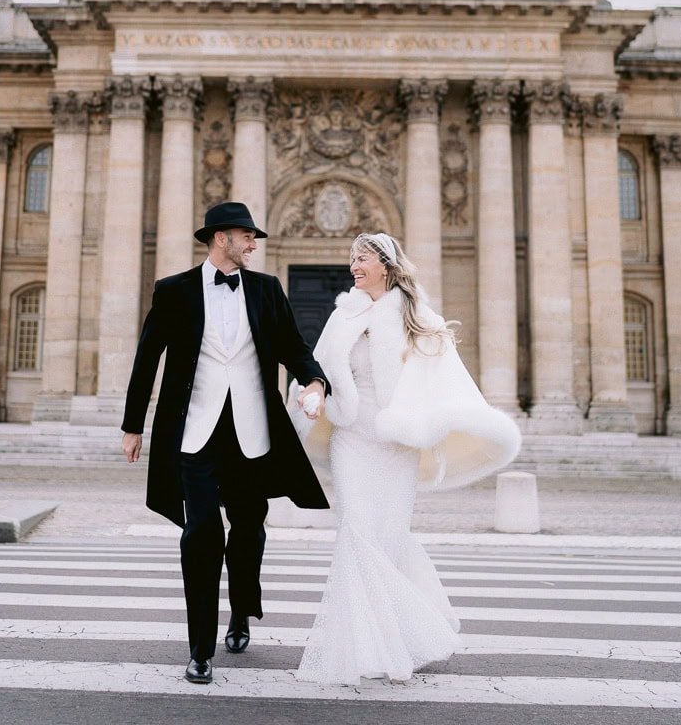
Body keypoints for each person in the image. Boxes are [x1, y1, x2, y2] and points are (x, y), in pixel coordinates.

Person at [291, 231, 521, 686]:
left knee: (388, 539)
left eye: (362, 258)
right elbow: (316, 369)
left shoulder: (418, 316)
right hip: (352, 437)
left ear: (386, 265)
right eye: (351, 259)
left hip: (395, 443)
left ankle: (401, 634)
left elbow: (444, 377)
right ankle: (373, 645)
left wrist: (430, 425)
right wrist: (312, 393)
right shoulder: (343, 314)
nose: (353, 266)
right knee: (356, 534)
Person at [121, 201, 330, 686]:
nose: (254, 244)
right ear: (220, 239)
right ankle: (200, 648)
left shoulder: (265, 289)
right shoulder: (173, 291)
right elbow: (146, 357)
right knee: (201, 535)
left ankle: (241, 610)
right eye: (246, 236)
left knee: (249, 530)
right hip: (195, 433)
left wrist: (314, 381)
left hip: (252, 434)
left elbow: (292, 346)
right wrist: (133, 425)